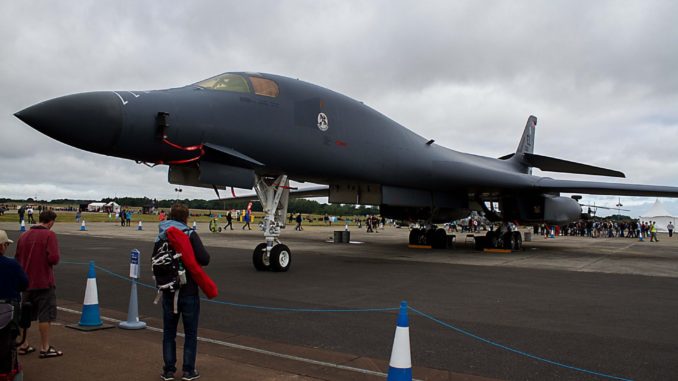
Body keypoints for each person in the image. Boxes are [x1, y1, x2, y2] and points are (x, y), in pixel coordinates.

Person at [155, 204, 210, 381]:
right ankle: (188, 370)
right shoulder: (189, 234)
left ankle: (168, 370)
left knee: (169, 332)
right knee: (190, 333)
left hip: (168, 291)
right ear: (186, 218)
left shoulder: (161, 235)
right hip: (189, 291)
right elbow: (205, 258)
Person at [14, 210, 62, 359]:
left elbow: (17, 257)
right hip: (43, 281)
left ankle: (23, 344)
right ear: (51, 221)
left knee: (24, 315)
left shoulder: (24, 235)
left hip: (25, 281)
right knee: (45, 315)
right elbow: (53, 258)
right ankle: (45, 347)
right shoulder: (49, 235)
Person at [0, 230, 29, 380]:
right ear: (2, 247)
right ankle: (10, 370)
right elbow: (24, 283)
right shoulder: (12, 265)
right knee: (9, 339)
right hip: (7, 308)